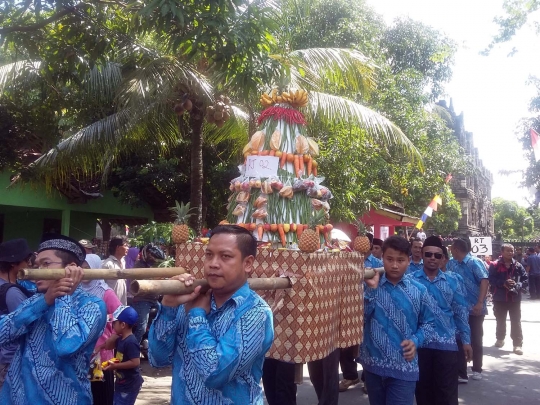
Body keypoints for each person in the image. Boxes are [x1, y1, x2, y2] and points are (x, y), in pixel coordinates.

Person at [148, 225, 274, 404]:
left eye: (225, 256)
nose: (213, 263)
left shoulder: (255, 313)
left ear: (247, 263)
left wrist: (197, 316)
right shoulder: (191, 300)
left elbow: (213, 373)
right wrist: (168, 306)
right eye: (209, 255)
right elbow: (157, 359)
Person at [0, 234, 107, 404]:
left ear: (71, 268)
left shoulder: (92, 306)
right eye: (36, 265)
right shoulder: (35, 301)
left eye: (46, 264)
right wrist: (44, 302)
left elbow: (66, 347)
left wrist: (63, 296)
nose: (37, 271)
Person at [358, 236, 436, 405]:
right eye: (389, 259)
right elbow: (359, 321)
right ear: (382, 258)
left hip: (404, 366)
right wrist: (370, 291)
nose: (394, 265)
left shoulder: (419, 290)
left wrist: (416, 341)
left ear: (408, 260)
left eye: (400, 260)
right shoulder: (368, 285)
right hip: (373, 365)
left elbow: (430, 324)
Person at [412, 236, 472, 405]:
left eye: (437, 255)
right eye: (428, 254)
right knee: (423, 391)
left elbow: (461, 313)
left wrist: (466, 341)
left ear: (443, 258)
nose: (432, 258)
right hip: (420, 345)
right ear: (422, 255)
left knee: (447, 393)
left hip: (446, 345)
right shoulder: (411, 281)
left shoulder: (453, 281)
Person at [338, 237, 384, 393]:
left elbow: (382, 288)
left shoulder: (378, 264)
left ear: (369, 246)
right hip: (349, 310)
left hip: (370, 309)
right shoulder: (347, 261)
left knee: (368, 344)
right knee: (345, 345)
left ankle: (367, 378)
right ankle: (350, 376)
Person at [82, 254, 122, 405]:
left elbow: (122, 316)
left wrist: (112, 336)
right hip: (79, 354)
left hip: (101, 356)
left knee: (100, 396)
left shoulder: (106, 293)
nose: (84, 271)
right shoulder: (75, 291)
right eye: (82, 268)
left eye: (88, 268)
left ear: (96, 269)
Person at [446, 238, 489, 382]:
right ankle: (461, 372)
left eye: (452, 249)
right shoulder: (452, 263)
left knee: (475, 338)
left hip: (475, 309)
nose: (451, 251)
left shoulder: (474, 262)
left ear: (456, 249)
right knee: (459, 339)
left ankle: (477, 369)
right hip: (458, 309)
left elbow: (484, 280)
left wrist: (480, 302)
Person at [0, 238, 34, 390]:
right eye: (27, 259)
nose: (29, 264)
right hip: (9, 360)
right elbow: (27, 322)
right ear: (14, 263)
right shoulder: (12, 292)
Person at [488, 244, 528, 355]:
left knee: (516, 321)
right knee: (500, 320)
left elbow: (525, 279)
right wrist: (503, 283)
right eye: (508, 251)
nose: (510, 253)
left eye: (512, 251)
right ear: (502, 252)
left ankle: (517, 344)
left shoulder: (518, 265)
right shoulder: (495, 265)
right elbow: (491, 279)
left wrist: (518, 285)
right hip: (499, 298)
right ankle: (500, 339)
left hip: (514, 298)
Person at [100, 306, 143, 405]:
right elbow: (108, 346)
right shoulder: (120, 339)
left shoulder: (131, 342)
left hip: (130, 385)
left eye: (114, 323)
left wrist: (116, 366)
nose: (112, 326)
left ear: (123, 325)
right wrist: (99, 348)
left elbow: (135, 362)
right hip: (121, 382)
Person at [132, 244, 165, 344]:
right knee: (141, 328)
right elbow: (140, 282)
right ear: (147, 254)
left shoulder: (154, 267)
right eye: (152, 256)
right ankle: (134, 350)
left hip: (154, 300)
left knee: (165, 318)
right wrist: (156, 279)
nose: (154, 260)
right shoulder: (139, 265)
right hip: (142, 300)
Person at [103, 236, 129, 305]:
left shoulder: (123, 261)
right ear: (118, 248)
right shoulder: (107, 264)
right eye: (125, 245)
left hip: (122, 303)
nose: (128, 248)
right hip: (111, 305)